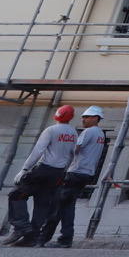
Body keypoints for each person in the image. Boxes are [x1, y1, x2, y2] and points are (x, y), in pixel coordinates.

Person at [3, 104, 77, 247]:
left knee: (16, 195)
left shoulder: (51, 130)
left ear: (56, 115)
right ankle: (32, 237)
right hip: (58, 173)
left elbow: (38, 151)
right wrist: (64, 171)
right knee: (42, 204)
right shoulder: (73, 133)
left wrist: (24, 169)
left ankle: (21, 227)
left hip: (43, 170)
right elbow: (73, 155)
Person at [39, 104, 107, 247]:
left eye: (87, 117)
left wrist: (61, 148)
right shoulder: (101, 133)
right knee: (68, 206)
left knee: (57, 206)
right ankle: (65, 239)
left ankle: (44, 238)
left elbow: (75, 149)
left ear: (96, 118)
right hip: (87, 174)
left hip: (75, 172)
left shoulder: (88, 132)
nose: (83, 119)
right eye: (83, 117)